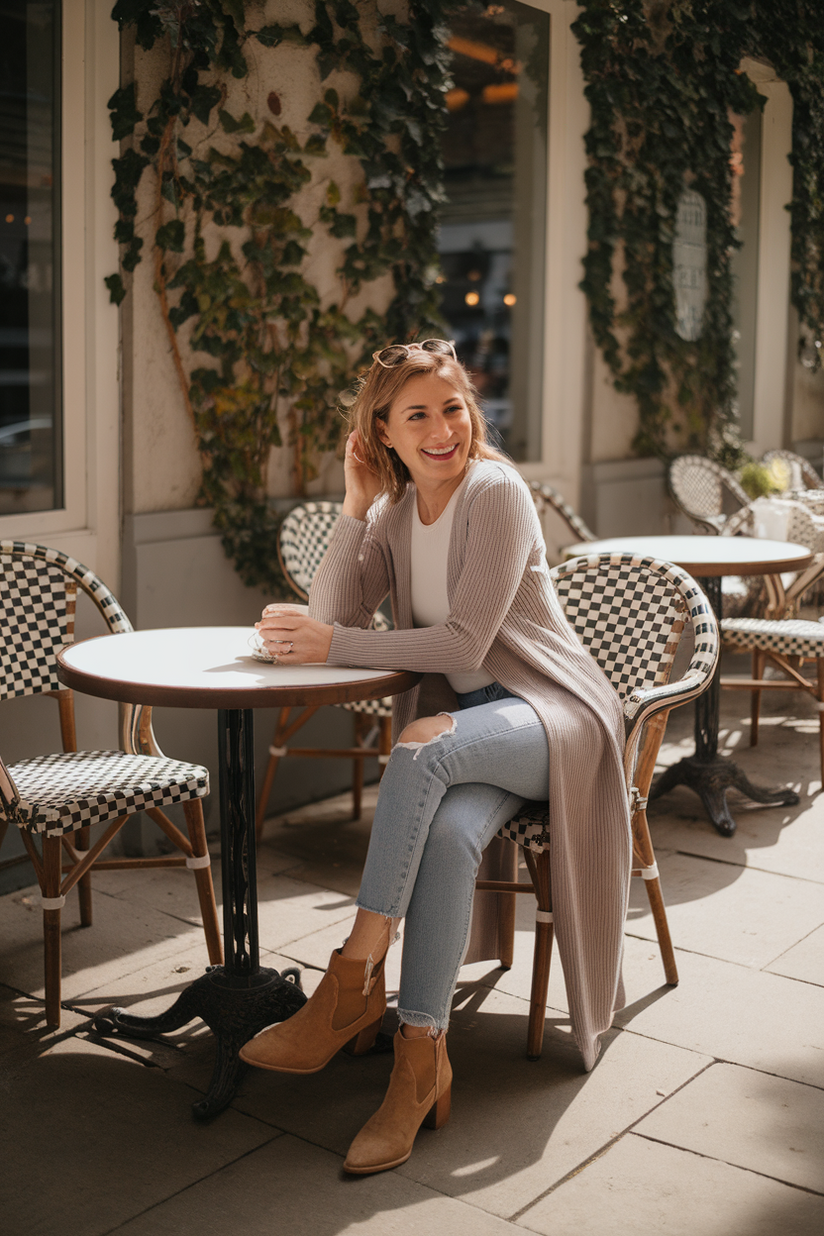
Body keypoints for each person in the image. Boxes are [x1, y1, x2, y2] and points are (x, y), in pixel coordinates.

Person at [239, 339, 631, 1175]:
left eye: (452, 407)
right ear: (382, 431)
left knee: (419, 749)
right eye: (416, 414)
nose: (443, 428)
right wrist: (353, 507)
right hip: (471, 724)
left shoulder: (495, 491)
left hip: (552, 714)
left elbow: (462, 639)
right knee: (449, 838)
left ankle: (349, 981)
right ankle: (421, 1061)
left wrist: (331, 639)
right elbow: (338, 613)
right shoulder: (391, 511)